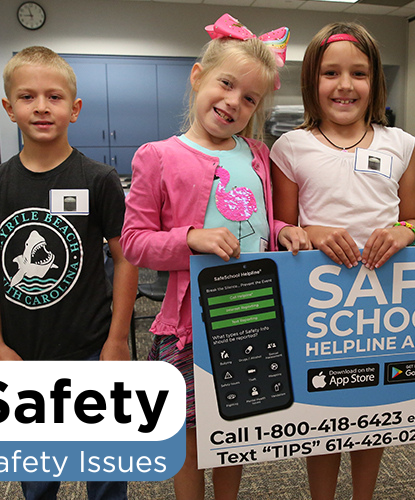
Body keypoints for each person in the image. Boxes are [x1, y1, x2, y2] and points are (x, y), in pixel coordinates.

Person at [120, 14, 310, 500]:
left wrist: (286, 231)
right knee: (187, 431)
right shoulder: (158, 156)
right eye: (226, 84)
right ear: (198, 76)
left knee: (235, 429)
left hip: (251, 313)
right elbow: (134, 242)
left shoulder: (257, 154)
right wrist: (190, 238)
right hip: (191, 321)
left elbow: (261, 225)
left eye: (250, 98)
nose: (233, 102)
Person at [0, 46, 137, 500]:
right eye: (28, 97)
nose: (41, 107)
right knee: (38, 476)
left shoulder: (99, 179)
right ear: (9, 108)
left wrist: (117, 340)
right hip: (24, 354)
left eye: (54, 97)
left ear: (74, 109)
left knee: (106, 469)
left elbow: (126, 258)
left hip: (92, 347)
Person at [270, 22, 415, 500]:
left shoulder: (401, 143)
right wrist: (312, 233)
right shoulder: (290, 147)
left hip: (381, 302)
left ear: (374, 81)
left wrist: (402, 233)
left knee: (372, 411)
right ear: (311, 81)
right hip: (320, 303)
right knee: (323, 412)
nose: (345, 85)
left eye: (359, 73)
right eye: (330, 73)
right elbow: (282, 228)